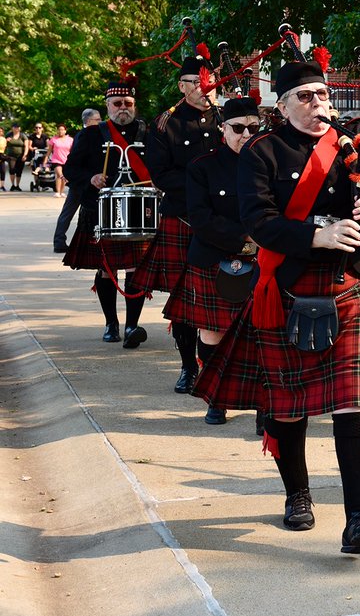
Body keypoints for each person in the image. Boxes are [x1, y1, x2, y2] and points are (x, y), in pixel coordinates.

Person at [192, 61, 360, 554]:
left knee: (355, 400)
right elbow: (257, 220)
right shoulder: (262, 152)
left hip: (352, 286)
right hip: (289, 288)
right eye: (305, 96)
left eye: (322, 94)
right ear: (282, 105)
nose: (319, 103)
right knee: (287, 408)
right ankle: (297, 493)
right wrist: (316, 235)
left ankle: (359, 518)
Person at [162, 97, 260, 426]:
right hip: (215, 256)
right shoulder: (202, 166)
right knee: (213, 333)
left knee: (263, 332)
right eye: (238, 128)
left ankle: (266, 404)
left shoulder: (267, 162)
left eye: (253, 128)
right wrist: (246, 237)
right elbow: (200, 217)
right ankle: (215, 396)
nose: (245, 134)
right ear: (223, 129)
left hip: (263, 259)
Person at [130, 54, 224, 373]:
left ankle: (215, 367)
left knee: (225, 294)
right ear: (182, 86)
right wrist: (202, 187)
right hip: (183, 218)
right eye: (196, 82)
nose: (204, 87)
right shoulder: (165, 123)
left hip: (226, 221)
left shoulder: (228, 120)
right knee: (184, 301)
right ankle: (188, 368)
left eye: (209, 80)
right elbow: (160, 174)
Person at [62, 80, 150, 343]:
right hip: (99, 208)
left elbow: (161, 165)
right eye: (117, 103)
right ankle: (111, 323)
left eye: (128, 103)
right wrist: (91, 178)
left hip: (138, 209)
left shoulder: (148, 132)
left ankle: (132, 326)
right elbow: (70, 169)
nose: (123, 108)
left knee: (135, 269)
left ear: (134, 105)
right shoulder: (91, 135)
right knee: (106, 269)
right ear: (107, 105)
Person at [53, 109, 101, 252]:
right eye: (97, 120)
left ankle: (88, 243)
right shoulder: (83, 135)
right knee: (68, 212)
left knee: (87, 213)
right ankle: (59, 241)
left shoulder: (93, 135)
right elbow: (75, 161)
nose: (100, 122)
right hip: (80, 182)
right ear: (88, 121)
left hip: (88, 181)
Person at [46, 124, 73, 197]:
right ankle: (57, 192)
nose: (60, 131)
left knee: (64, 175)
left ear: (65, 131)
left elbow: (72, 151)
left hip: (66, 160)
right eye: (59, 129)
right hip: (56, 160)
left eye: (62, 130)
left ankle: (61, 192)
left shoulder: (70, 140)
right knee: (59, 175)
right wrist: (45, 160)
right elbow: (49, 151)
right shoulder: (53, 139)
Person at [5, 123, 27, 191]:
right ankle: (12, 185)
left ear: (19, 128)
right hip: (11, 156)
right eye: (15, 127)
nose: (16, 128)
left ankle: (17, 185)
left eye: (18, 127)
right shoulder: (9, 135)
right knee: (12, 170)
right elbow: (2, 144)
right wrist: (6, 140)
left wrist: (25, 155)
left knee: (19, 171)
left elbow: (26, 146)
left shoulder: (23, 135)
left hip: (21, 156)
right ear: (12, 128)